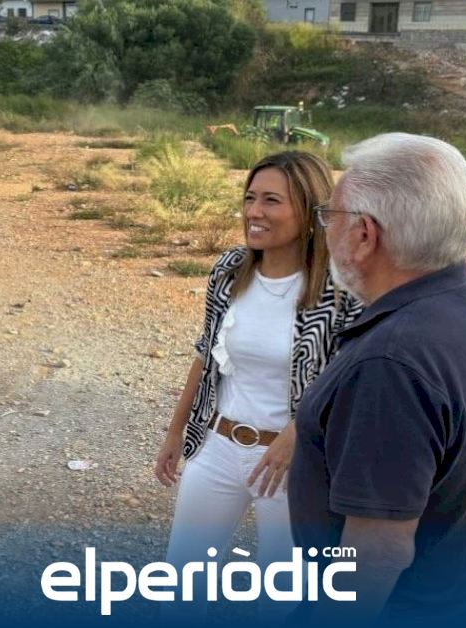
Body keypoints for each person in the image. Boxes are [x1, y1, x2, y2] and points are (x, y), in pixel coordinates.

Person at [288, 133, 466, 625]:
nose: (325, 230)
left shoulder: (390, 363)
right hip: (451, 593)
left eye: (330, 216)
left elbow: (378, 552)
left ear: (365, 235)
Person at [154, 151, 361, 621]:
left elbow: (349, 377)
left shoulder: (338, 287)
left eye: (271, 201)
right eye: (250, 198)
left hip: (293, 465)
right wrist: (176, 431)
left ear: (308, 209)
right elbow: (207, 354)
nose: (254, 211)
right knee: (181, 590)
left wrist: (297, 431)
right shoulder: (230, 269)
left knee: (281, 604)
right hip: (218, 446)